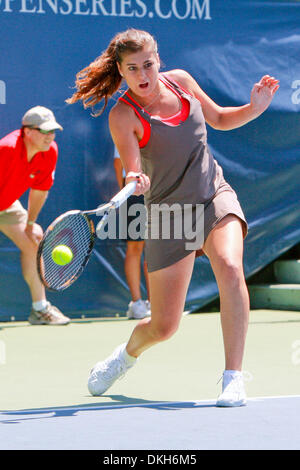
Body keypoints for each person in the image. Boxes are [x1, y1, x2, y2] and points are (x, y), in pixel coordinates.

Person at [66, 29, 279, 406]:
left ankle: (233, 377)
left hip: (213, 193)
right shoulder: (122, 115)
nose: (143, 74)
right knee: (164, 327)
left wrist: (253, 108)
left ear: (158, 60)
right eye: (133, 68)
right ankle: (125, 356)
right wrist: (135, 177)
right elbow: (132, 168)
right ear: (121, 71)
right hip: (168, 213)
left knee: (230, 266)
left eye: (148, 63)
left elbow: (219, 119)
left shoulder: (181, 82)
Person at [0, 106, 70, 326]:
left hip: (6, 204)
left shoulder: (50, 151)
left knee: (34, 241)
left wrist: (30, 223)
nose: (50, 136)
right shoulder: (6, 149)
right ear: (27, 132)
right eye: (45, 131)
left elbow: (40, 190)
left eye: (53, 131)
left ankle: (39, 310)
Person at [113, 146, 151, 319]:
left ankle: (156, 302)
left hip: (159, 189)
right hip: (134, 192)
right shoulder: (126, 122)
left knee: (154, 248)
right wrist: (123, 194)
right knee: (135, 246)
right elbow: (117, 162)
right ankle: (136, 304)